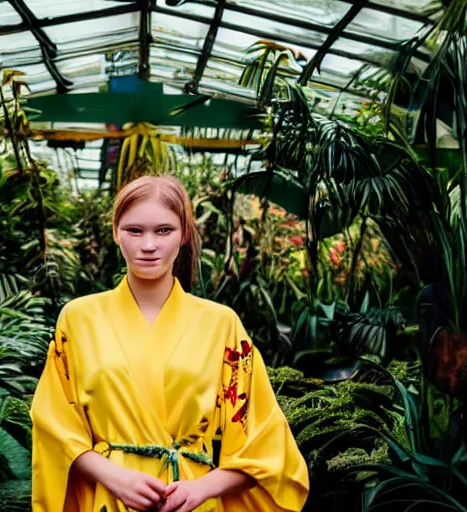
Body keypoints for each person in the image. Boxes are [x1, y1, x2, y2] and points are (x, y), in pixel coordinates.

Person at [31, 175, 309, 512]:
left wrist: (203, 487)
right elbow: (54, 425)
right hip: (109, 500)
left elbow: (265, 443)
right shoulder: (77, 319)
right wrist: (114, 477)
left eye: (164, 230)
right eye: (135, 230)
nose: (148, 245)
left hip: (191, 504)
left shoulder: (222, 324)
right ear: (116, 232)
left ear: (184, 235)